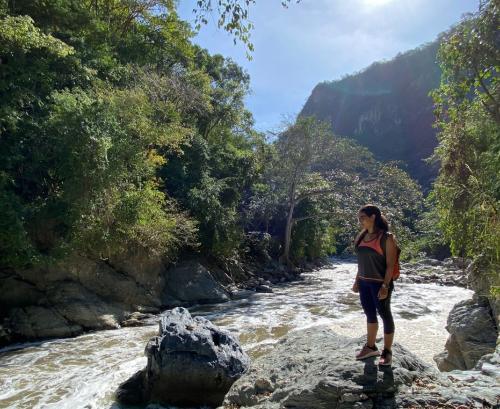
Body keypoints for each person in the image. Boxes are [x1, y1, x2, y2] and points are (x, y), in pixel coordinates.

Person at [352, 204, 398, 366]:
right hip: (364, 282)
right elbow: (361, 262)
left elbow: (390, 265)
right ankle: (371, 347)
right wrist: (357, 280)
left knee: (385, 315)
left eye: (362, 218)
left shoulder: (387, 238)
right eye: (359, 218)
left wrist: (385, 286)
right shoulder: (361, 236)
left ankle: (387, 351)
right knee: (369, 314)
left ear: (373, 217)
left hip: (380, 284)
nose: (360, 221)